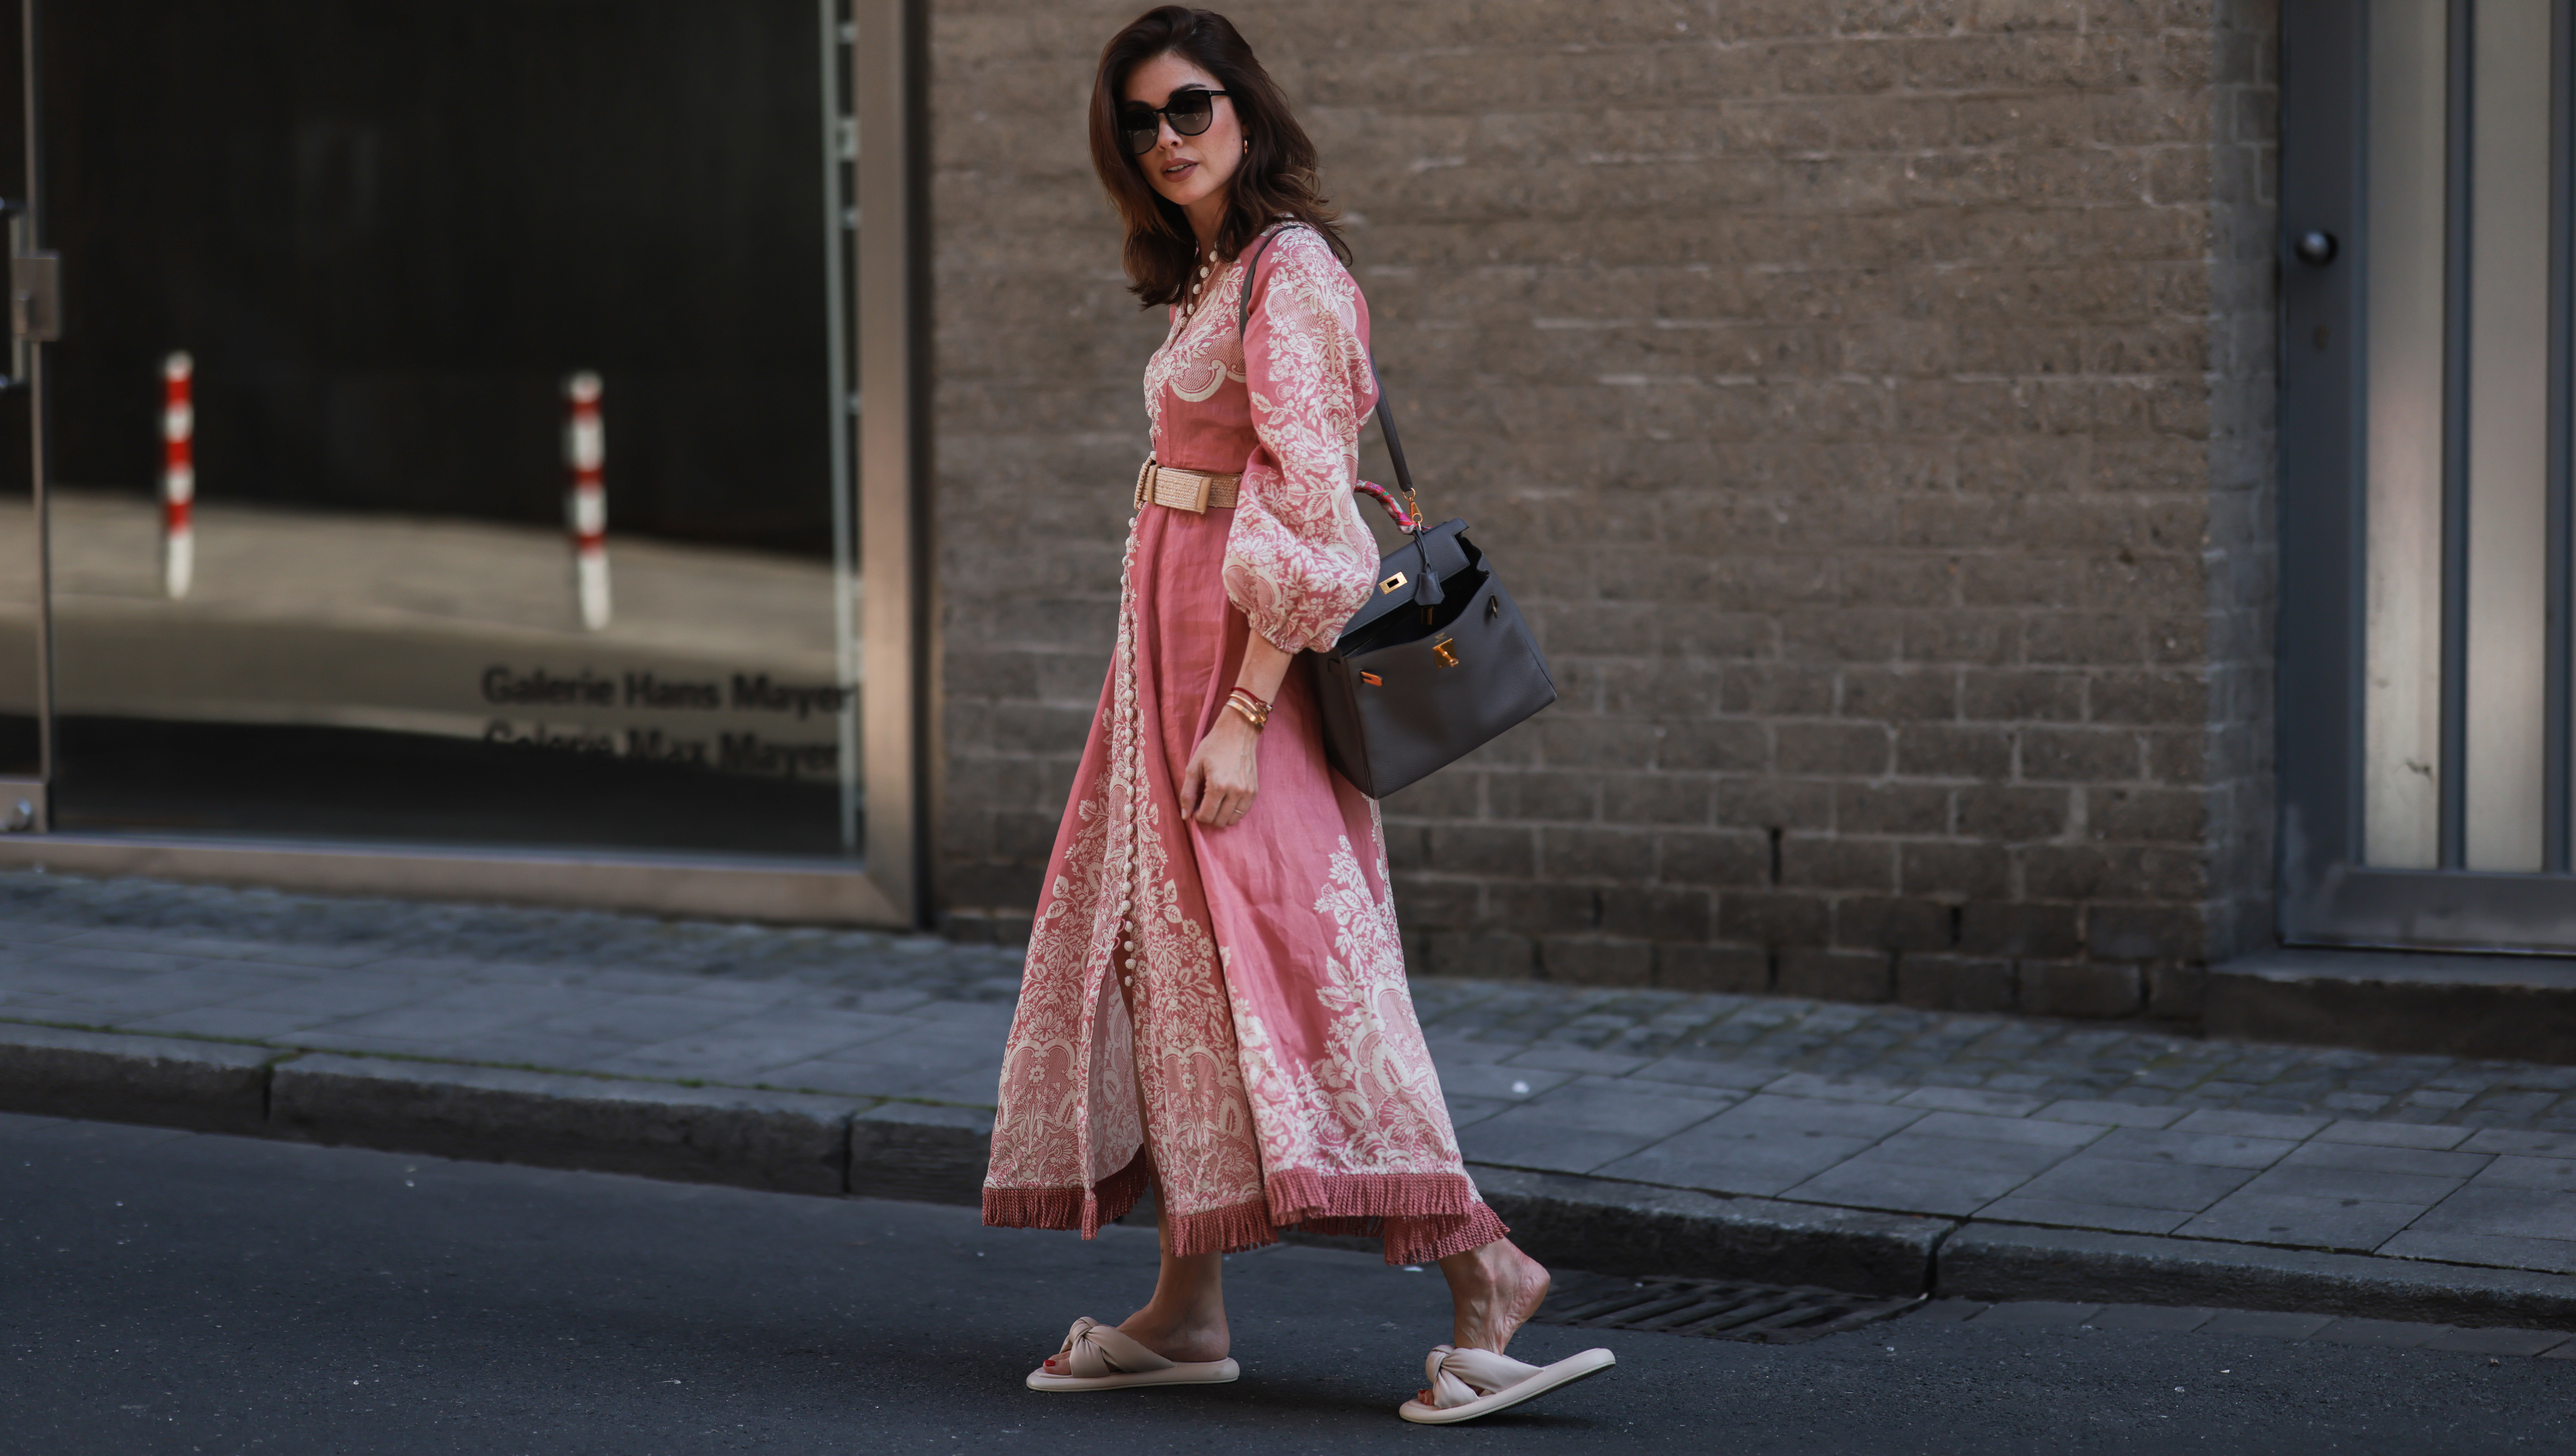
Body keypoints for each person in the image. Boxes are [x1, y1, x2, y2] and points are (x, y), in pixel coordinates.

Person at [979, 5, 1612, 1425]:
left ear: (1247, 112)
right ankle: (1186, 1307)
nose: (1165, 140)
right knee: (1178, 971)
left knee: (1303, 965)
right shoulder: (1211, 275)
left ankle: (1488, 1272)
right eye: (1138, 122)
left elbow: (1307, 511)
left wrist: (1242, 712)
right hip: (1167, 664)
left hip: (1232, 678)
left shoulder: (1294, 275)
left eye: (1189, 108)